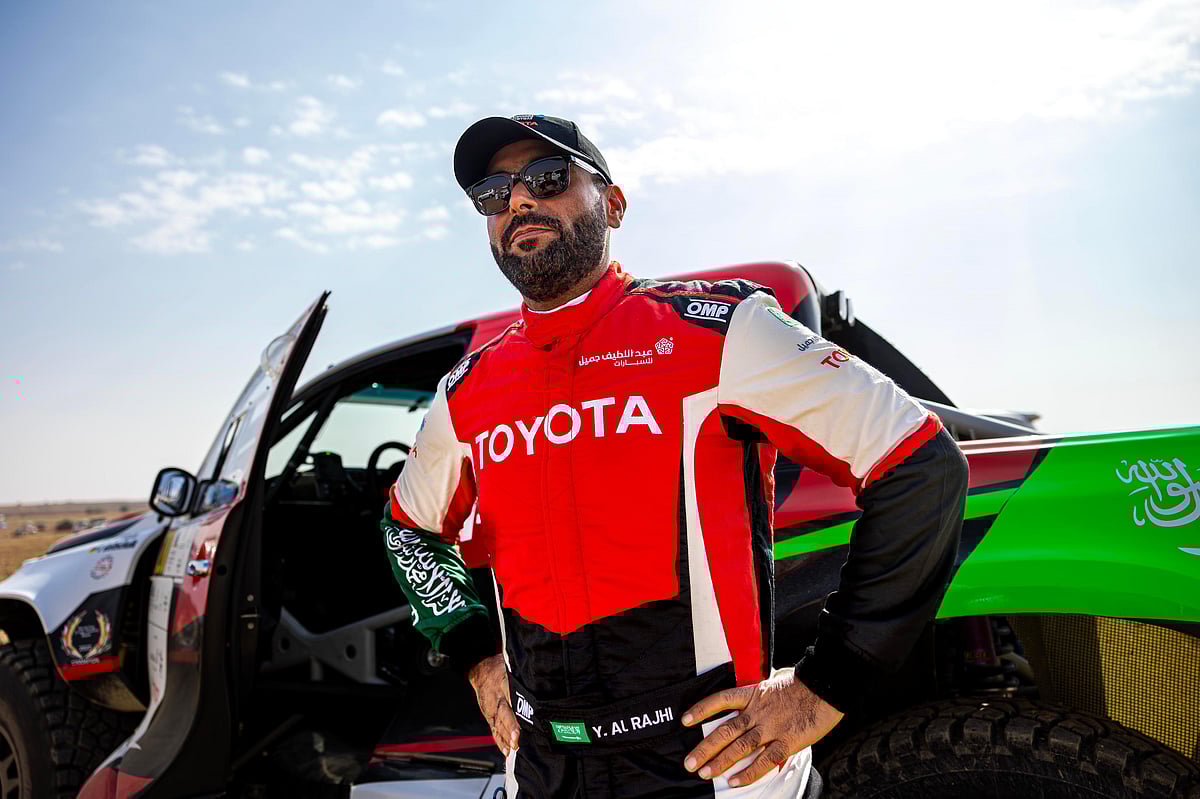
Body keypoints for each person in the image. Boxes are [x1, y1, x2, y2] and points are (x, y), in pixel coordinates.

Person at [380, 114, 969, 798]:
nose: (517, 201)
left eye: (546, 176)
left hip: (719, 769)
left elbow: (921, 464)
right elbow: (408, 529)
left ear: (614, 204)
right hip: (543, 771)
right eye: (492, 193)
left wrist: (827, 686)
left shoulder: (720, 330)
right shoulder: (467, 392)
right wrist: (476, 654)